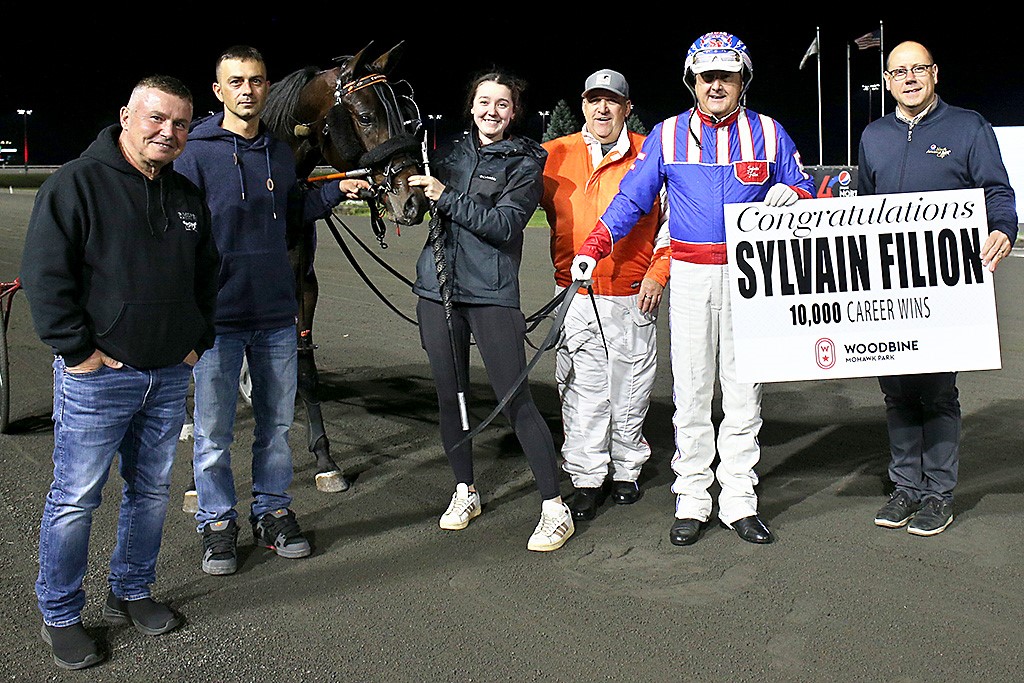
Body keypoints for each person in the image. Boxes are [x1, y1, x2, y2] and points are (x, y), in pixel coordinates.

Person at [573, 32, 815, 546]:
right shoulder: (666, 134)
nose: (717, 85)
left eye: (727, 74)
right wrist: (595, 243)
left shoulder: (771, 133)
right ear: (693, 81)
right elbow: (632, 198)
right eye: (707, 76)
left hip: (754, 278)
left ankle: (739, 501)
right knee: (693, 390)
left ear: (742, 79)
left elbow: (804, 186)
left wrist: (789, 194)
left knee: (745, 391)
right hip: (687, 273)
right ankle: (692, 497)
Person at [20, 75, 219, 670]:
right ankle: (61, 613)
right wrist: (77, 352)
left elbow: (208, 276)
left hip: (167, 377)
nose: (169, 132)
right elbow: (46, 277)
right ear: (128, 115)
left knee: (151, 493)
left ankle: (131, 590)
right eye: (157, 118)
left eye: (181, 123)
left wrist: (195, 341)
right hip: (99, 378)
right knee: (77, 498)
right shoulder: (76, 184)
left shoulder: (185, 195)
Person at [174, 46, 369, 576]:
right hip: (218, 319)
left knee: (275, 425)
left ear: (266, 88)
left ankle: (272, 510)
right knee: (214, 431)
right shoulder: (195, 152)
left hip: (276, 316)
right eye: (235, 81)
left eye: (256, 81)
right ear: (218, 91)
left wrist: (336, 193)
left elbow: (293, 211)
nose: (246, 90)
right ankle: (217, 521)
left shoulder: (280, 154)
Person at [407, 70, 574, 552]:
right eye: (484, 102)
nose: (491, 112)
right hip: (435, 290)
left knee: (514, 398)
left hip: (492, 293)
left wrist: (447, 196)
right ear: (472, 104)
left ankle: (553, 505)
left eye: (502, 104)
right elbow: (419, 205)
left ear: (514, 112)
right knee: (450, 395)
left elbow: (504, 224)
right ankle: (465, 490)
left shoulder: (525, 162)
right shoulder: (449, 152)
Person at [859, 40, 1018, 536]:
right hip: (887, 287)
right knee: (896, 391)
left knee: (936, 391)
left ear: (934, 74)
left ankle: (938, 495)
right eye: (898, 71)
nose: (908, 78)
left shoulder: (968, 126)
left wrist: (1002, 228)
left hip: (943, 285)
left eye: (918, 69)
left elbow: (998, 191)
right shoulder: (873, 135)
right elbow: (860, 211)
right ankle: (906, 485)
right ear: (887, 80)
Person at [540, 69, 670, 521]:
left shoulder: (650, 152)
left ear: (626, 108)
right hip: (574, 292)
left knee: (630, 389)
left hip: (633, 293)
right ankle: (586, 476)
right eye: (594, 100)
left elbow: (672, 221)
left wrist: (659, 271)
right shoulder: (553, 154)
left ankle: (626, 470)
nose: (602, 109)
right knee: (581, 389)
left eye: (612, 101)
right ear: (583, 105)